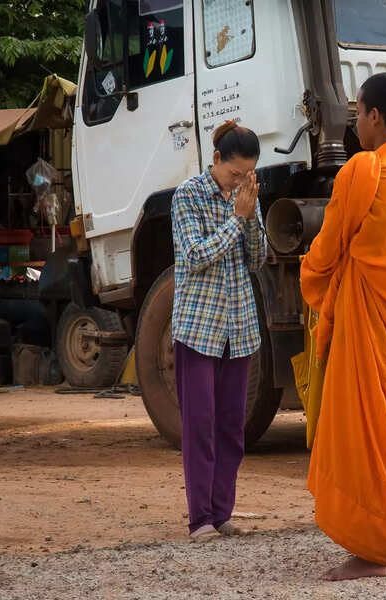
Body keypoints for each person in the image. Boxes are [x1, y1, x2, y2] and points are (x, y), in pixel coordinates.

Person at [301, 72, 386, 580]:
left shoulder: (363, 170)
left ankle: (371, 550)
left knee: (365, 436)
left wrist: (312, 279)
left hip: (371, 329)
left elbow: (329, 245)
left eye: (358, 113)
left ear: (376, 117)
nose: (356, 123)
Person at [170, 121, 267, 543]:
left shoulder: (247, 198)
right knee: (200, 424)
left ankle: (222, 512)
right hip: (198, 327)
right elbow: (194, 257)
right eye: (234, 175)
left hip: (238, 326)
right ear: (216, 161)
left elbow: (258, 259)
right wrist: (236, 220)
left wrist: (249, 220)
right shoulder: (187, 196)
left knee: (231, 425)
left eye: (247, 176)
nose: (239, 182)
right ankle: (200, 519)